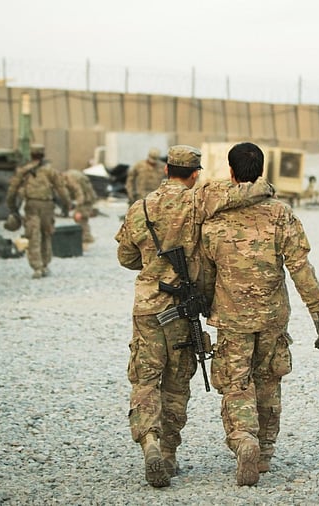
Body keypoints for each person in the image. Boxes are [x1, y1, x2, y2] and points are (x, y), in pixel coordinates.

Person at [115, 145, 273, 488]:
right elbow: (239, 193)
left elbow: (126, 257)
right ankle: (169, 455)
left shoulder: (139, 208)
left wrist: (151, 261)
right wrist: (266, 188)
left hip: (147, 309)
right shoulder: (198, 200)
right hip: (181, 308)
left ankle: (150, 443)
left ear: (166, 169)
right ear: (194, 172)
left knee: (144, 380)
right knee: (175, 383)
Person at [200, 142, 319, 487]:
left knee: (237, 382)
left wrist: (204, 305)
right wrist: (318, 314)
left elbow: (206, 273)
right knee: (269, 381)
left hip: (232, 318)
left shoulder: (216, 219)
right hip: (272, 318)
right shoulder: (281, 215)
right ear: (262, 171)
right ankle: (266, 452)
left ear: (230, 172)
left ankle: (245, 440)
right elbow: (300, 266)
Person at [5, 145, 71, 279]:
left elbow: (12, 190)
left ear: (30, 155)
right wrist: (66, 206)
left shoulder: (23, 171)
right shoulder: (50, 171)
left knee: (33, 236)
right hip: (48, 206)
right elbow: (61, 190)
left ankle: (37, 267)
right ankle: (45, 265)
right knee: (46, 235)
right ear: (43, 155)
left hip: (31, 206)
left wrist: (12, 207)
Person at [63, 168, 98, 244]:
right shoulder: (70, 174)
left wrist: (79, 208)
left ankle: (86, 238)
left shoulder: (71, 178)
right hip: (87, 197)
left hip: (86, 199)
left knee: (80, 217)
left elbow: (79, 192)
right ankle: (86, 237)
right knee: (81, 218)